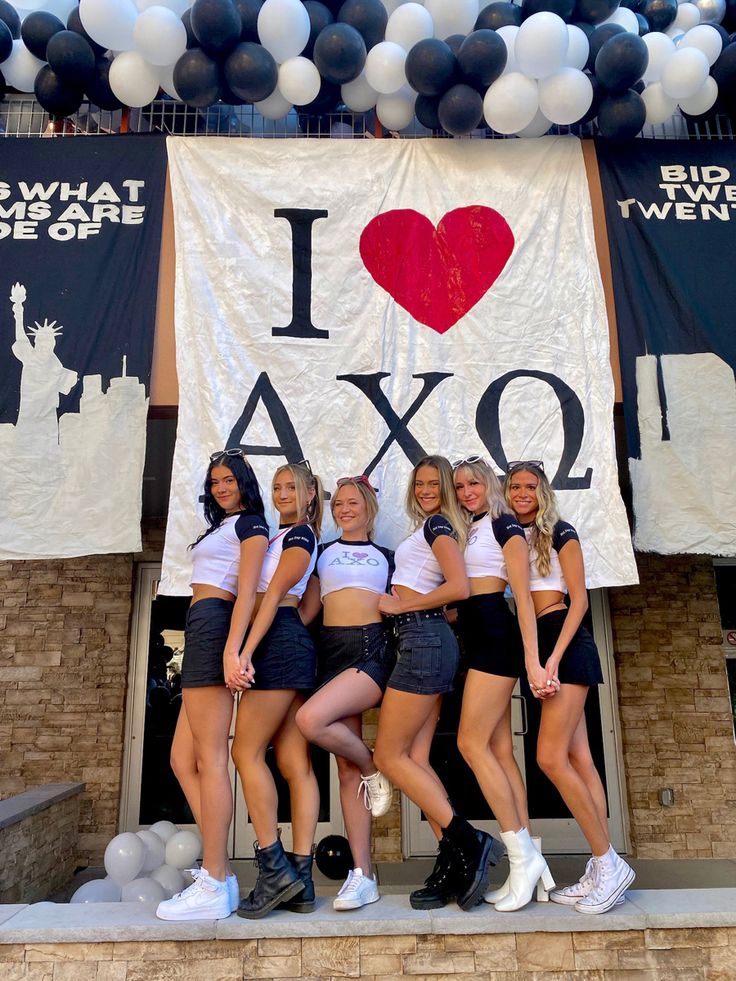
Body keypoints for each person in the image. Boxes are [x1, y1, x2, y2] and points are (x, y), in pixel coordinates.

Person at [373, 455, 503, 912]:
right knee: (417, 758)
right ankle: (455, 860)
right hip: (428, 636)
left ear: (446, 488)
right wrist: (425, 614)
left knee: (388, 755)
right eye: (420, 483)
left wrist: (402, 607)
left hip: (422, 640)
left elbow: (460, 587)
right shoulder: (430, 527)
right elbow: (449, 600)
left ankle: (469, 840)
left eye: (434, 483)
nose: (426, 489)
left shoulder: (438, 528)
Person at [505, 460, 635, 914]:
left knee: (549, 756)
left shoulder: (560, 531)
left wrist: (550, 660)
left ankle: (608, 861)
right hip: (539, 642)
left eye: (530, 487)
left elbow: (579, 600)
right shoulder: (509, 535)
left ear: (543, 492)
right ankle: (603, 866)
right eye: (516, 486)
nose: (523, 493)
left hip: (563, 638)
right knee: (578, 757)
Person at [157, 449, 269, 921]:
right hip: (201, 623)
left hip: (217, 624)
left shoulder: (252, 525)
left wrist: (233, 648)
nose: (222, 488)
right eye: (216, 481)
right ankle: (218, 873)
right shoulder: (221, 527)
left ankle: (215, 876)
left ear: (245, 483)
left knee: (210, 758)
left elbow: (248, 589)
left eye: (230, 480)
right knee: (182, 759)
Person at [452, 456, 555, 912]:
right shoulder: (473, 526)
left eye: (474, 482)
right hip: (475, 633)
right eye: (459, 486)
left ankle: (521, 855)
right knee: (497, 750)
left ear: (491, 484)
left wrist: (532, 660)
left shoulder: (504, 524)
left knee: (470, 744)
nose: (466, 491)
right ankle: (532, 862)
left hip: (496, 636)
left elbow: (524, 596)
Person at [296, 475, 395, 911]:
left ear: (369, 507)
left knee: (310, 720)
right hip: (330, 650)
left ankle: (375, 765)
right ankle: (363, 875)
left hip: (372, 647)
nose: (345, 509)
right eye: (339, 505)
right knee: (346, 773)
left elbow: (411, 601)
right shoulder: (322, 554)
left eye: (353, 502)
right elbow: (309, 610)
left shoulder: (387, 556)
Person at [230, 460, 323, 919]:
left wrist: (246, 650)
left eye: (292, 487)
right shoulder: (278, 535)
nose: (283, 493)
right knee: (291, 761)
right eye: (277, 487)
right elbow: (313, 601)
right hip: (287, 640)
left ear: (309, 495)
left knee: (245, 754)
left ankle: (274, 869)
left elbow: (272, 599)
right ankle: (301, 881)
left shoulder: (301, 535)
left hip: (274, 642)